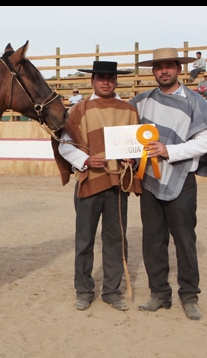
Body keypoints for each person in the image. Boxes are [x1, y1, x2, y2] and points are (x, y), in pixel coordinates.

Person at [129, 47, 207, 321]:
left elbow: (206, 140)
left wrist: (169, 151)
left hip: (181, 180)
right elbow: (123, 128)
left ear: (179, 69)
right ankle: (159, 294)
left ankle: (190, 296)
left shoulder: (195, 102)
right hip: (149, 181)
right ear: (153, 71)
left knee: (184, 240)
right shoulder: (142, 101)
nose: (164, 71)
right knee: (153, 240)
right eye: (159, 67)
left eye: (169, 66)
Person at [53, 61, 142, 312]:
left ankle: (112, 292)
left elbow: (137, 146)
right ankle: (84, 290)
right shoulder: (79, 109)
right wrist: (86, 160)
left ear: (116, 81)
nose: (106, 82)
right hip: (89, 180)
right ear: (92, 81)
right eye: (101, 78)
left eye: (110, 78)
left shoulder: (129, 110)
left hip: (118, 183)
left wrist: (132, 159)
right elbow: (64, 145)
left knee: (116, 240)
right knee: (84, 240)